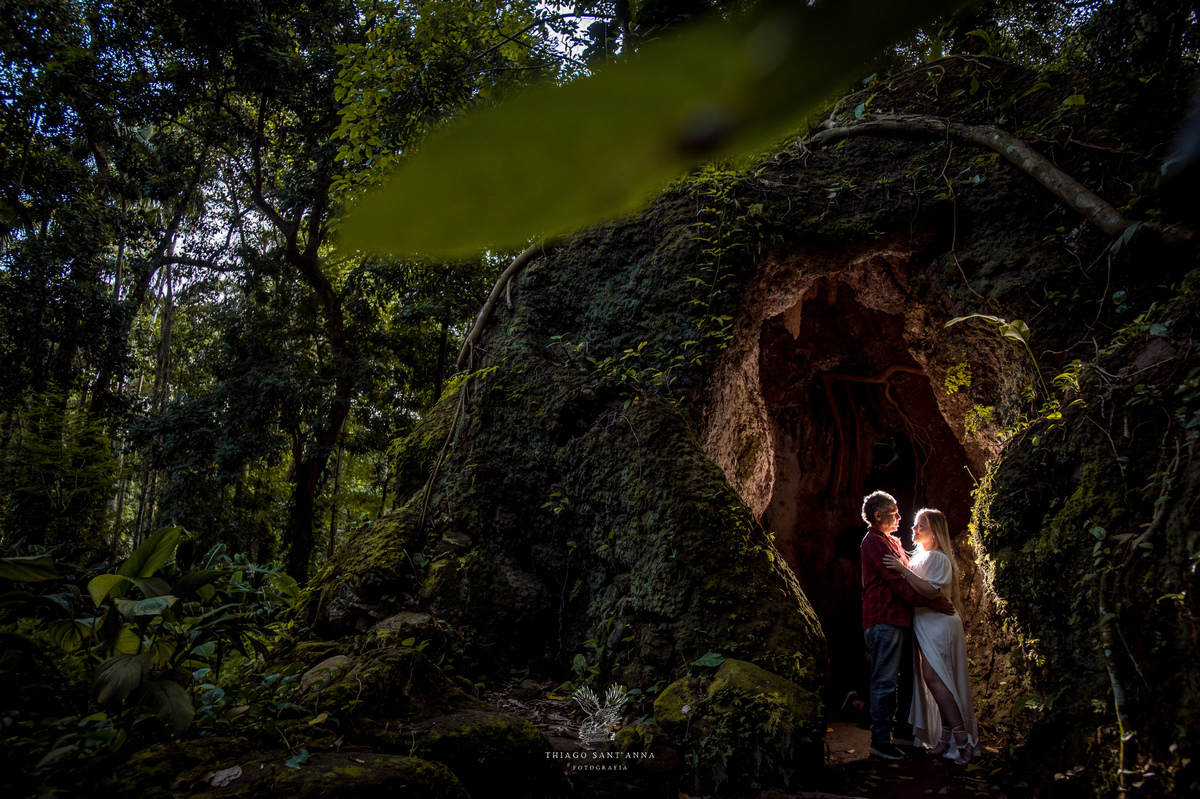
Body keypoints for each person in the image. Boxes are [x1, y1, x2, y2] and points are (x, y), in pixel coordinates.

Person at [859, 491, 955, 761]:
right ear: (879, 516)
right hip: (885, 618)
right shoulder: (874, 542)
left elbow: (910, 575)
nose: (900, 518)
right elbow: (897, 582)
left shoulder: (893, 543)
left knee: (907, 681)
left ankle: (902, 732)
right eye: (895, 513)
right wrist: (932, 603)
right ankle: (880, 741)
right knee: (885, 681)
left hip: (902, 620)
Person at [882, 508, 978, 765]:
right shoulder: (921, 557)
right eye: (914, 525)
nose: (913, 529)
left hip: (939, 625)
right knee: (934, 679)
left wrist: (903, 571)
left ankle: (963, 740)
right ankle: (945, 738)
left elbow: (931, 591)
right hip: (926, 623)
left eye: (920, 526)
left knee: (937, 679)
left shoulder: (938, 558)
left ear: (934, 532)